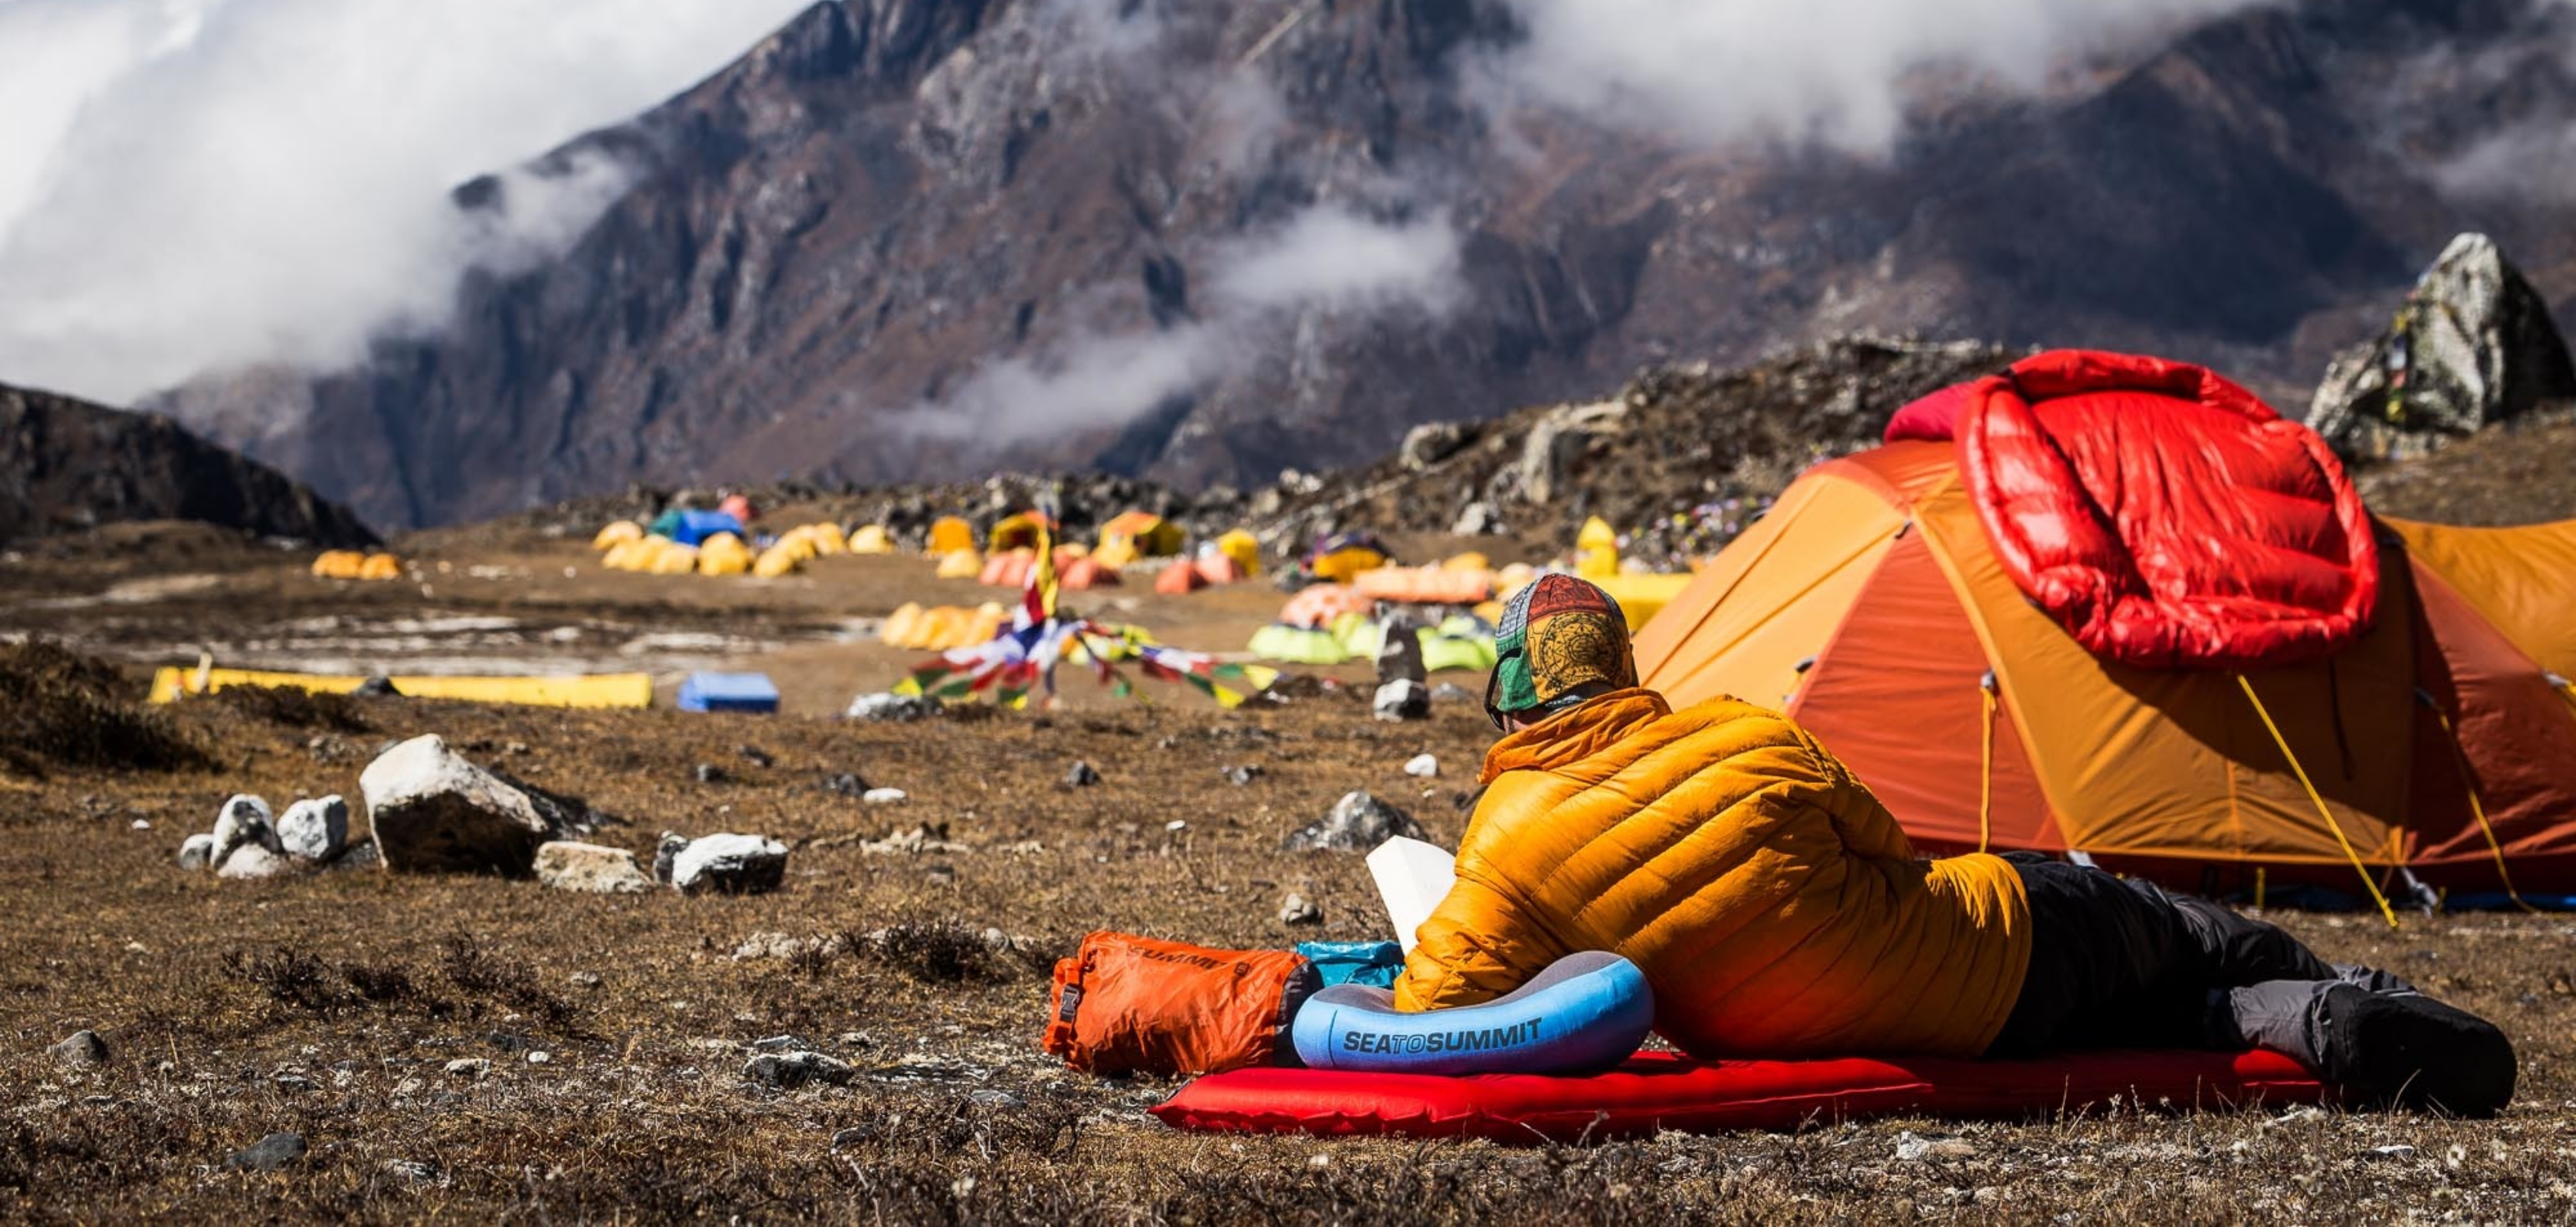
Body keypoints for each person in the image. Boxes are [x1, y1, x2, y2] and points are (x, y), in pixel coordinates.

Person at [1393, 574, 2517, 1115]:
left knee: (2179, 1017)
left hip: (1948, 1033)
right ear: (1623, 671)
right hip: (2006, 944)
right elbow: (1889, 846)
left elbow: (1434, 1014)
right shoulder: (1745, 731)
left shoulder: (1507, 844)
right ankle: (2333, 998)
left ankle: (2322, 1023)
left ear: (1510, 698)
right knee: (2197, 940)